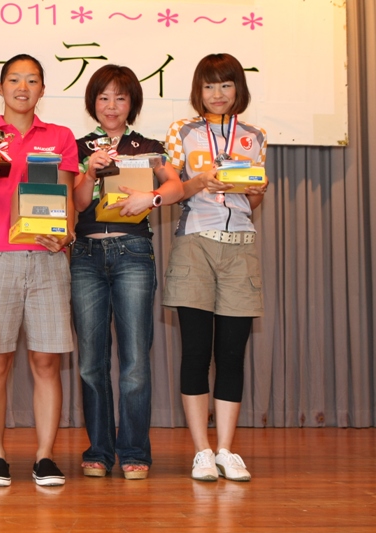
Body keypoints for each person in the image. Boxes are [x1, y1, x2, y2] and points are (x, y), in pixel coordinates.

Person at [0, 54, 78, 487]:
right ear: (0, 87)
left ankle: (45, 457)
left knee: (46, 361)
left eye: (32, 80)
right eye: (14, 79)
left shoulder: (61, 137)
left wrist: (65, 236)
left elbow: (67, 200)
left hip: (48, 259)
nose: (22, 88)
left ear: (42, 89)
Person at [71, 65, 183, 480]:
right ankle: (99, 450)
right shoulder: (79, 147)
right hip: (85, 255)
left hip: (133, 251)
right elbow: (77, 204)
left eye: (120, 97)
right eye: (103, 97)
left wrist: (151, 199)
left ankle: (135, 450)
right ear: (93, 103)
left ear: (132, 102)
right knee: (90, 362)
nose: (111, 105)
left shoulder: (148, 146)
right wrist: (89, 171)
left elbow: (175, 186)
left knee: (135, 360)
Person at [162, 53, 268, 482]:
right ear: (198, 90)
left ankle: (225, 449)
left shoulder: (255, 136)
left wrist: (256, 188)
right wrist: (200, 182)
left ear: (238, 87)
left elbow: (251, 201)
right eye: (209, 86)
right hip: (195, 243)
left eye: (226, 84)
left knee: (231, 354)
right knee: (195, 352)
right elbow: (172, 188)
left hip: (240, 246)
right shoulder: (182, 132)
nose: (218, 94)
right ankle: (201, 451)